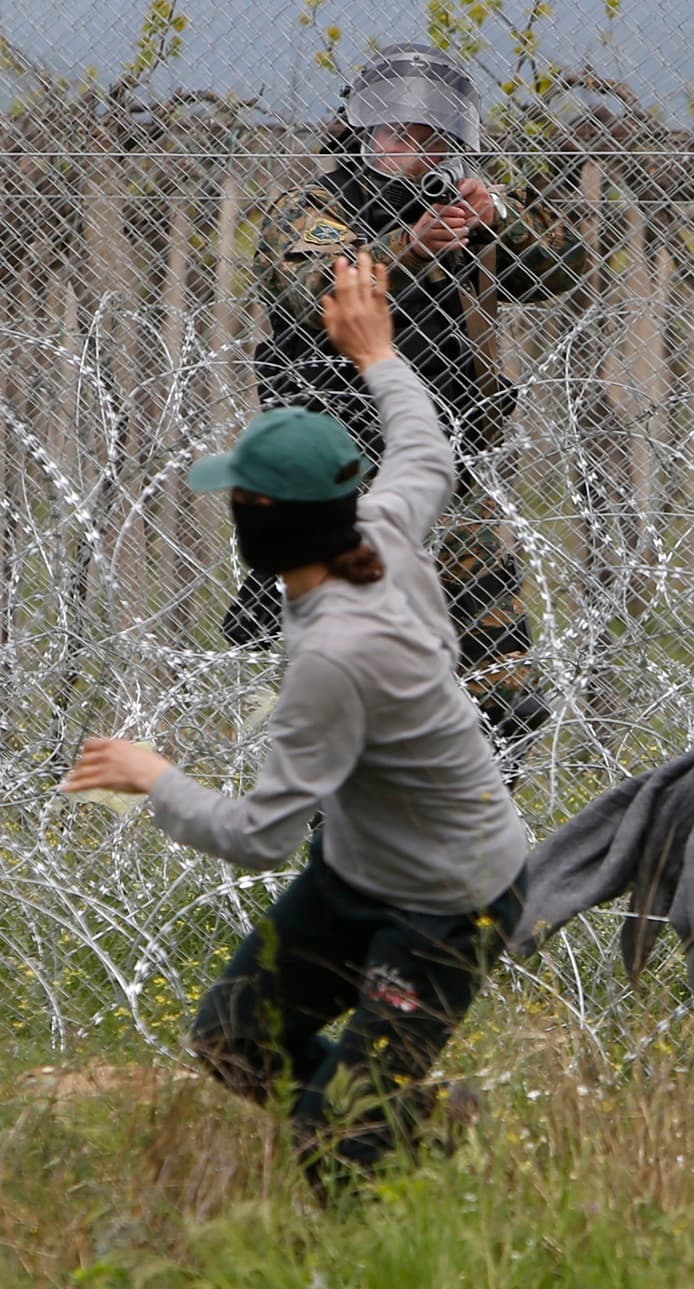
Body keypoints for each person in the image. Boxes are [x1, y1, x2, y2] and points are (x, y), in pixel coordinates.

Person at [62, 253, 528, 1200]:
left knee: (334, 1142)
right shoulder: (378, 527)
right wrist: (379, 353)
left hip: (447, 903)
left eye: (238, 497)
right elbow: (425, 450)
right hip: (361, 872)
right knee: (232, 1040)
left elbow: (260, 835)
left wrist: (156, 777)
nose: (232, 509)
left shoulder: (335, 657)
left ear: (264, 516)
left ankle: (375, 1186)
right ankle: (429, 1125)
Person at [227, 42, 587, 778]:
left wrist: (499, 216)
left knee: (502, 684)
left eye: (433, 137)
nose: (414, 150)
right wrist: (408, 251)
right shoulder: (318, 209)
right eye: (398, 134)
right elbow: (315, 297)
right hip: (345, 473)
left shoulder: (459, 217)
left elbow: (564, 268)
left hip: (444, 464)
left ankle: (482, 827)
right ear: (362, 135)